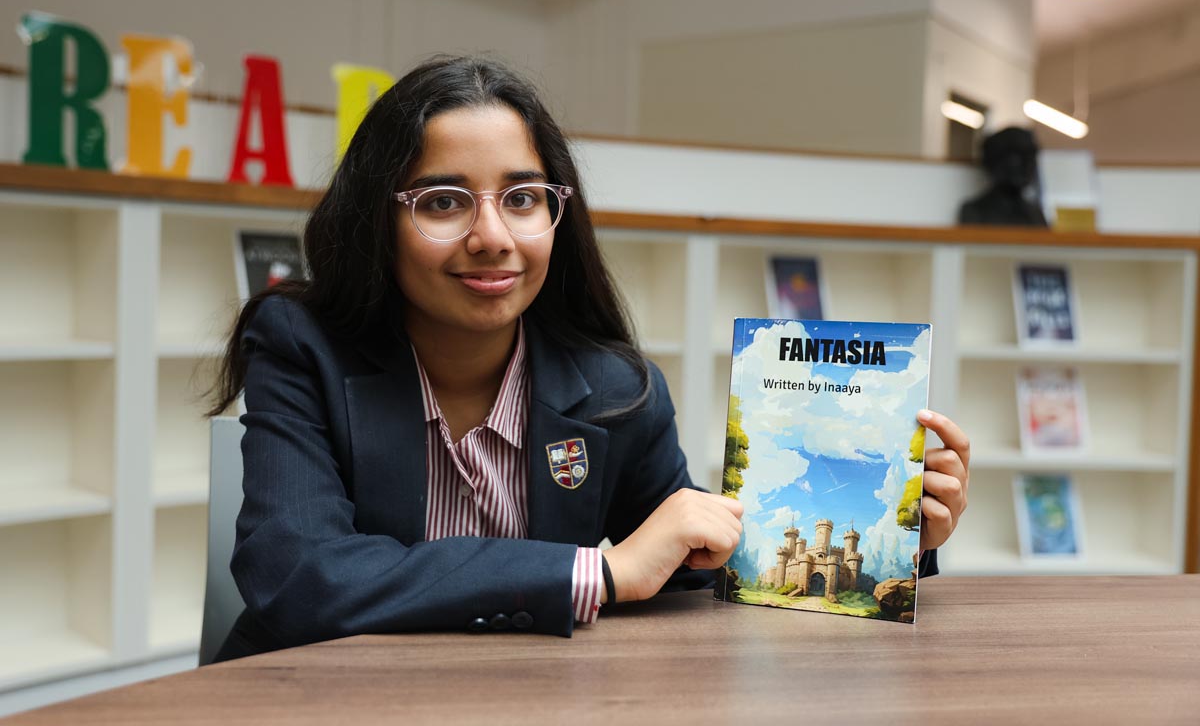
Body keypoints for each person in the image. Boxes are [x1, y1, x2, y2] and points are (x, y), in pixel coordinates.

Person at [207, 55, 970, 661]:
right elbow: (297, 576)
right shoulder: (301, 343)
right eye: (442, 200)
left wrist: (901, 537)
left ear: (555, 215)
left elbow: (703, 575)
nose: (492, 236)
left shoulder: (616, 390)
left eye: (522, 197)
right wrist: (595, 574)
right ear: (379, 222)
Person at [958, 126, 1049, 227]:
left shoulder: (1035, 213)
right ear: (995, 161)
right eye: (1018, 157)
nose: (1027, 165)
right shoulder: (974, 211)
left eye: (1030, 157)